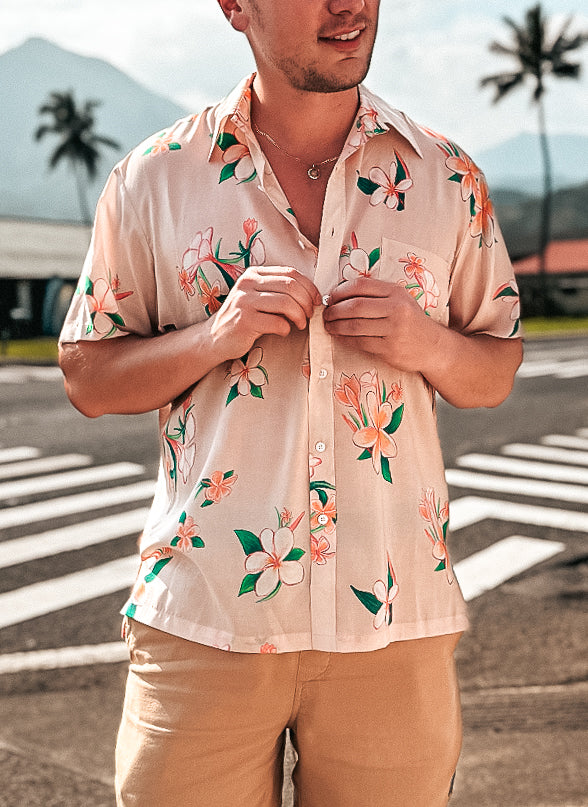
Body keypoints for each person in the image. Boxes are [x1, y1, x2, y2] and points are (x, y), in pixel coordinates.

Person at [59, 1, 523, 804]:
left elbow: (497, 363)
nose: (349, 4)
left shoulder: (449, 178)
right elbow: (87, 373)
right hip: (205, 618)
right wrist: (213, 336)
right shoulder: (154, 178)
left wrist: (431, 344)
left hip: (394, 622)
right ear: (235, 5)